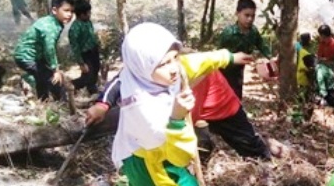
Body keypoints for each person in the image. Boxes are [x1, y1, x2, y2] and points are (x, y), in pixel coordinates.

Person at [112, 22, 251, 186]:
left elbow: (193, 63)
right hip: (157, 163)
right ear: (144, 65)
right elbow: (179, 155)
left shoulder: (143, 77)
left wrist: (229, 57)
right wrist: (177, 118)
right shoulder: (143, 106)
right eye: (163, 64)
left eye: (174, 57)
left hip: (133, 159)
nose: (173, 68)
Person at [87, 67, 276, 163]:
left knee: (251, 149)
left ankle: (269, 163)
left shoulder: (189, 69)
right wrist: (102, 105)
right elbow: (122, 78)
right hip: (185, 112)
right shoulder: (147, 65)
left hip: (220, 107)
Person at [14, 0, 75, 101]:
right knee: (54, 80)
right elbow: (49, 48)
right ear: (55, 10)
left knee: (42, 78)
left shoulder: (52, 22)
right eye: (66, 10)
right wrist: (55, 69)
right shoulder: (50, 26)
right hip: (27, 56)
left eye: (71, 11)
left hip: (33, 56)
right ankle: (62, 104)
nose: (69, 14)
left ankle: (43, 101)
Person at [217, 0, 270, 99]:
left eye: (252, 16)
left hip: (239, 70)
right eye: (246, 15)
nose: (250, 19)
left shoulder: (253, 31)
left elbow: (262, 45)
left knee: (236, 96)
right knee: (224, 97)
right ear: (237, 14)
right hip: (225, 70)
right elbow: (219, 53)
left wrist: (270, 57)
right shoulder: (229, 33)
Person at [69, 0, 101, 95]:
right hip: (85, 54)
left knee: (95, 70)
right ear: (81, 14)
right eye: (88, 13)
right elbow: (75, 47)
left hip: (93, 51)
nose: (90, 14)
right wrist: (81, 63)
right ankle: (71, 86)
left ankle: (93, 90)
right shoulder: (75, 28)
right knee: (87, 76)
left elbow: (92, 36)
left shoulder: (88, 22)